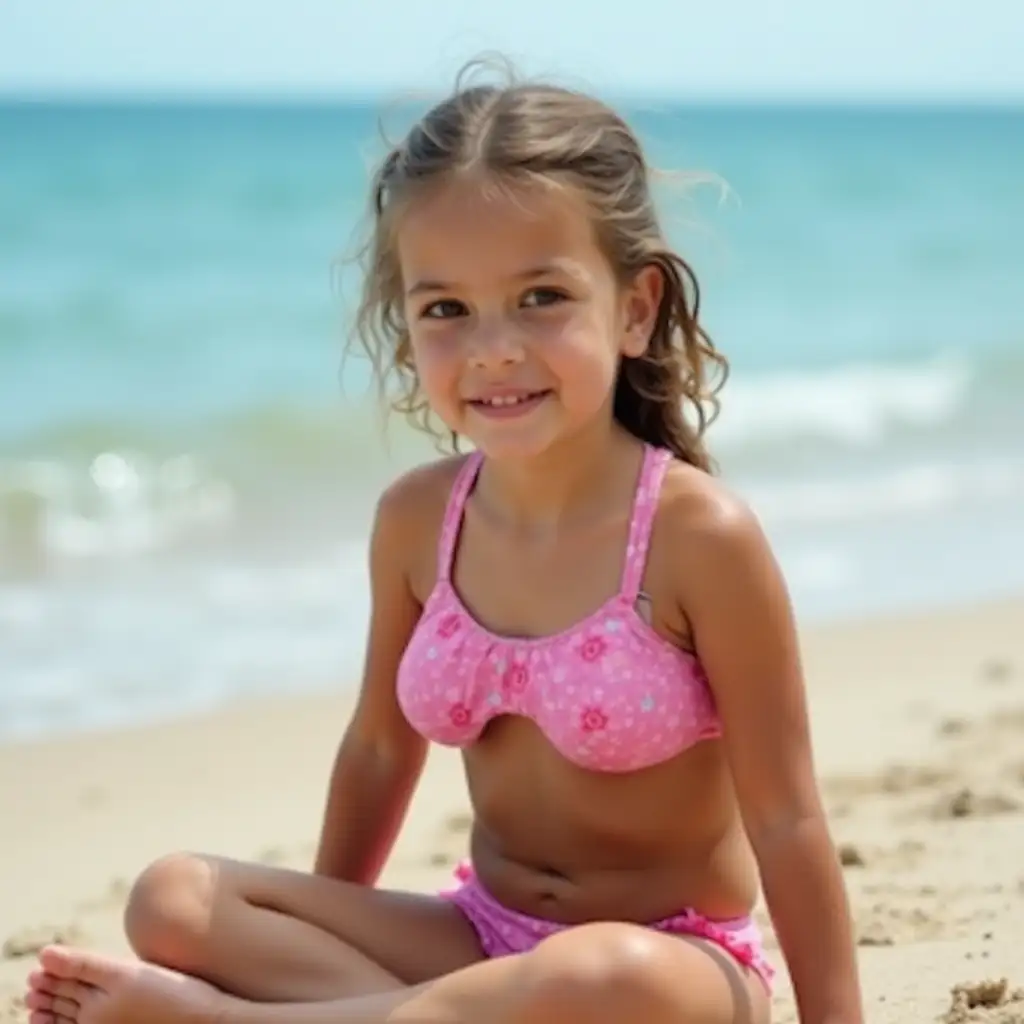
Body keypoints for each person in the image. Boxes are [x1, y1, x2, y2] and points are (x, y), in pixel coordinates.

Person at [24, 60, 864, 1024]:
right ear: (406, 328)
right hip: (478, 937)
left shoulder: (696, 536)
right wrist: (302, 935)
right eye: (446, 310)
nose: (493, 347)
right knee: (173, 897)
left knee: (596, 976)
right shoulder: (421, 520)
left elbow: (787, 815)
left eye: (542, 297)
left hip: (662, 969)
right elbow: (380, 750)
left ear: (633, 309)